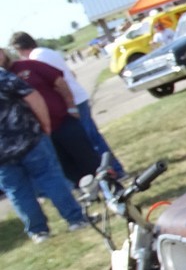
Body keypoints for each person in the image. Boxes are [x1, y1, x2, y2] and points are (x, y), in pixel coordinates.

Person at [8, 30, 124, 177]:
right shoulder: (47, 51)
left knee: (88, 142)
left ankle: (113, 171)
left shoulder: (36, 57)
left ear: (19, 48)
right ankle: (113, 170)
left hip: (72, 102)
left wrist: (69, 107)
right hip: (78, 97)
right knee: (93, 139)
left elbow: (56, 82)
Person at [0, 67, 88, 243]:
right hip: (28, 139)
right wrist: (45, 124)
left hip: (5, 154)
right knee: (50, 178)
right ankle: (75, 219)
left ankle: (38, 232)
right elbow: (32, 96)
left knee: (18, 192)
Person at [0, 48, 100, 185]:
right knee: (69, 171)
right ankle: (92, 198)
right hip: (38, 136)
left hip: (63, 122)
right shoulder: (4, 79)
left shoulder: (28, 65)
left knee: (89, 159)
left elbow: (60, 81)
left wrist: (71, 106)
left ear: (4, 53)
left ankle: (113, 190)